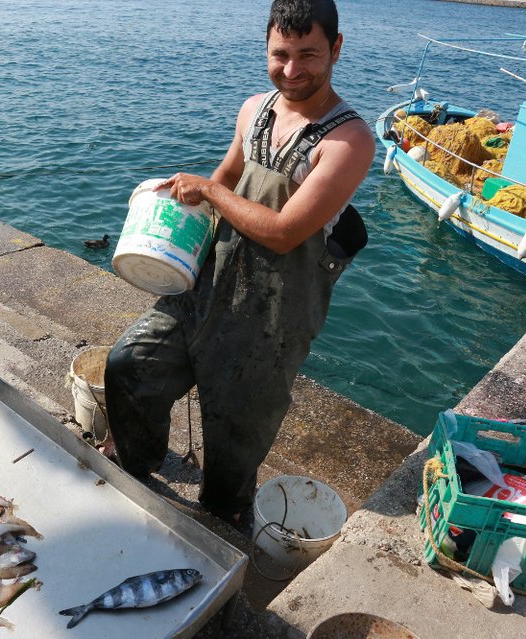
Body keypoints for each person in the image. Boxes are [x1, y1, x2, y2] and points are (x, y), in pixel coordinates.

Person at [103, 0, 375, 533]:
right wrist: (175, 223)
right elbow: (224, 179)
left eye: (308, 55)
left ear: (336, 49)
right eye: (280, 54)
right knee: (130, 363)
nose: (291, 70)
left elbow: (285, 231)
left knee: (237, 428)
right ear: (267, 48)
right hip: (209, 281)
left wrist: (207, 190)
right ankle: (136, 462)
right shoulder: (254, 110)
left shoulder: (349, 141)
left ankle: (223, 513)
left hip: (274, 313)